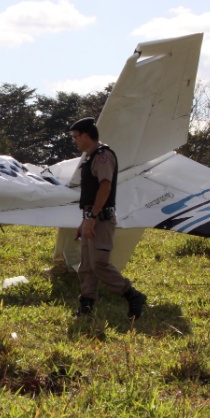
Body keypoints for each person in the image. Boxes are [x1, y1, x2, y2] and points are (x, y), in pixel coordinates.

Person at [69, 116, 147, 319]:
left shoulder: (102, 156)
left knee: (99, 264)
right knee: (86, 265)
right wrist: (85, 220)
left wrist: (93, 217)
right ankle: (86, 306)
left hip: (101, 219)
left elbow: (105, 186)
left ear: (86, 136)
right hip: (92, 217)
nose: (74, 141)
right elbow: (92, 193)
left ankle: (132, 295)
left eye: (76, 137)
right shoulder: (90, 157)